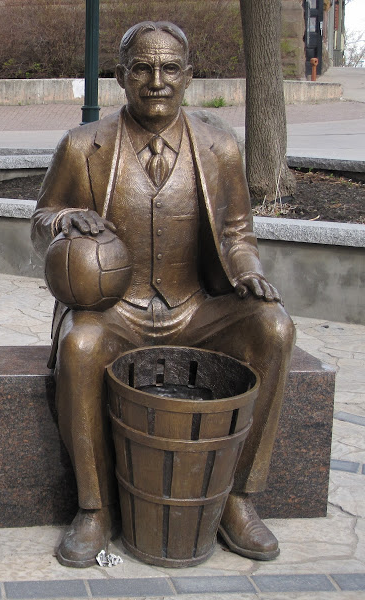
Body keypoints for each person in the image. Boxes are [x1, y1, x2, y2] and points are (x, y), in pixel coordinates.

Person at [31, 21, 295, 568]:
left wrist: (248, 271)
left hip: (194, 306)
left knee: (274, 327)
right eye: (143, 69)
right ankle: (94, 509)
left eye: (170, 68)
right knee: (79, 346)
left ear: (189, 76)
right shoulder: (84, 145)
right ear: (121, 78)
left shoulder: (220, 146)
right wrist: (63, 221)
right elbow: (39, 219)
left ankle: (237, 498)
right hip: (115, 310)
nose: (157, 80)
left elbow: (239, 233)